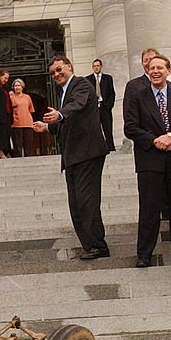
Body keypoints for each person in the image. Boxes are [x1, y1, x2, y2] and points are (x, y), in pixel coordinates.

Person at [123, 54, 171, 268]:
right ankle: (144, 255)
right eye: (151, 68)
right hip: (150, 160)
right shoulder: (137, 97)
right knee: (149, 208)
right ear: (147, 71)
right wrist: (154, 140)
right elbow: (130, 127)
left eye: (160, 67)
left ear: (168, 70)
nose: (155, 71)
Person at [33, 54, 109, 260]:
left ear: (70, 67)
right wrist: (48, 127)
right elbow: (68, 121)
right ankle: (89, 246)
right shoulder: (64, 91)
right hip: (72, 156)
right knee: (75, 204)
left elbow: (77, 105)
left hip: (88, 153)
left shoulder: (82, 85)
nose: (56, 74)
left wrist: (59, 114)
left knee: (87, 201)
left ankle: (98, 246)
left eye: (59, 69)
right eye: (53, 73)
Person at [86, 59, 116, 152]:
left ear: (101, 66)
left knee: (108, 128)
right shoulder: (87, 79)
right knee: (95, 130)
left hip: (105, 107)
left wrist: (109, 106)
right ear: (92, 67)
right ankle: (97, 149)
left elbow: (112, 93)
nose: (96, 68)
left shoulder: (108, 78)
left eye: (98, 66)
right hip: (94, 108)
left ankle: (111, 147)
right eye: (94, 66)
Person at [9, 78, 35, 157]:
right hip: (16, 123)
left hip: (28, 122)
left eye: (18, 85)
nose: (17, 87)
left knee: (28, 143)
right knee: (17, 144)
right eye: (15, 86)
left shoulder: (27, 97)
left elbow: (31, 109)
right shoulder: (11, 97)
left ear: (22, 87)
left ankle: (29, 158)